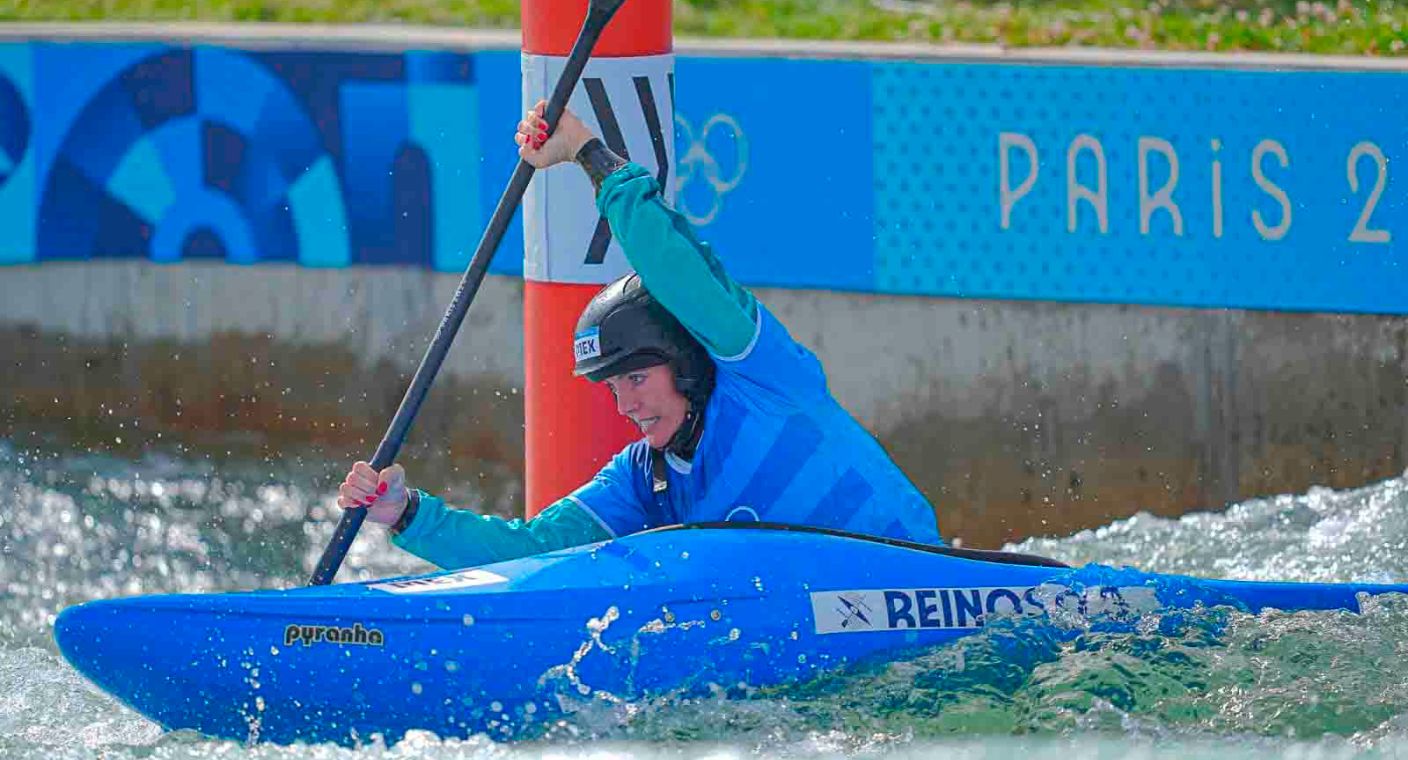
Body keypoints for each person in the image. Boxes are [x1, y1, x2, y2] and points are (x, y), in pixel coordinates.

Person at [337, 101, 942, 570]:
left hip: (931, 587)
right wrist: (406, 513)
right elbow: (532, 551)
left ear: (683, 362)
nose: (625, 404)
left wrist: (583, 150)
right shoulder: (642, 480)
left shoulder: (765, 378)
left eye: (635, 377)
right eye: (612, 387)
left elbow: (672, 263)